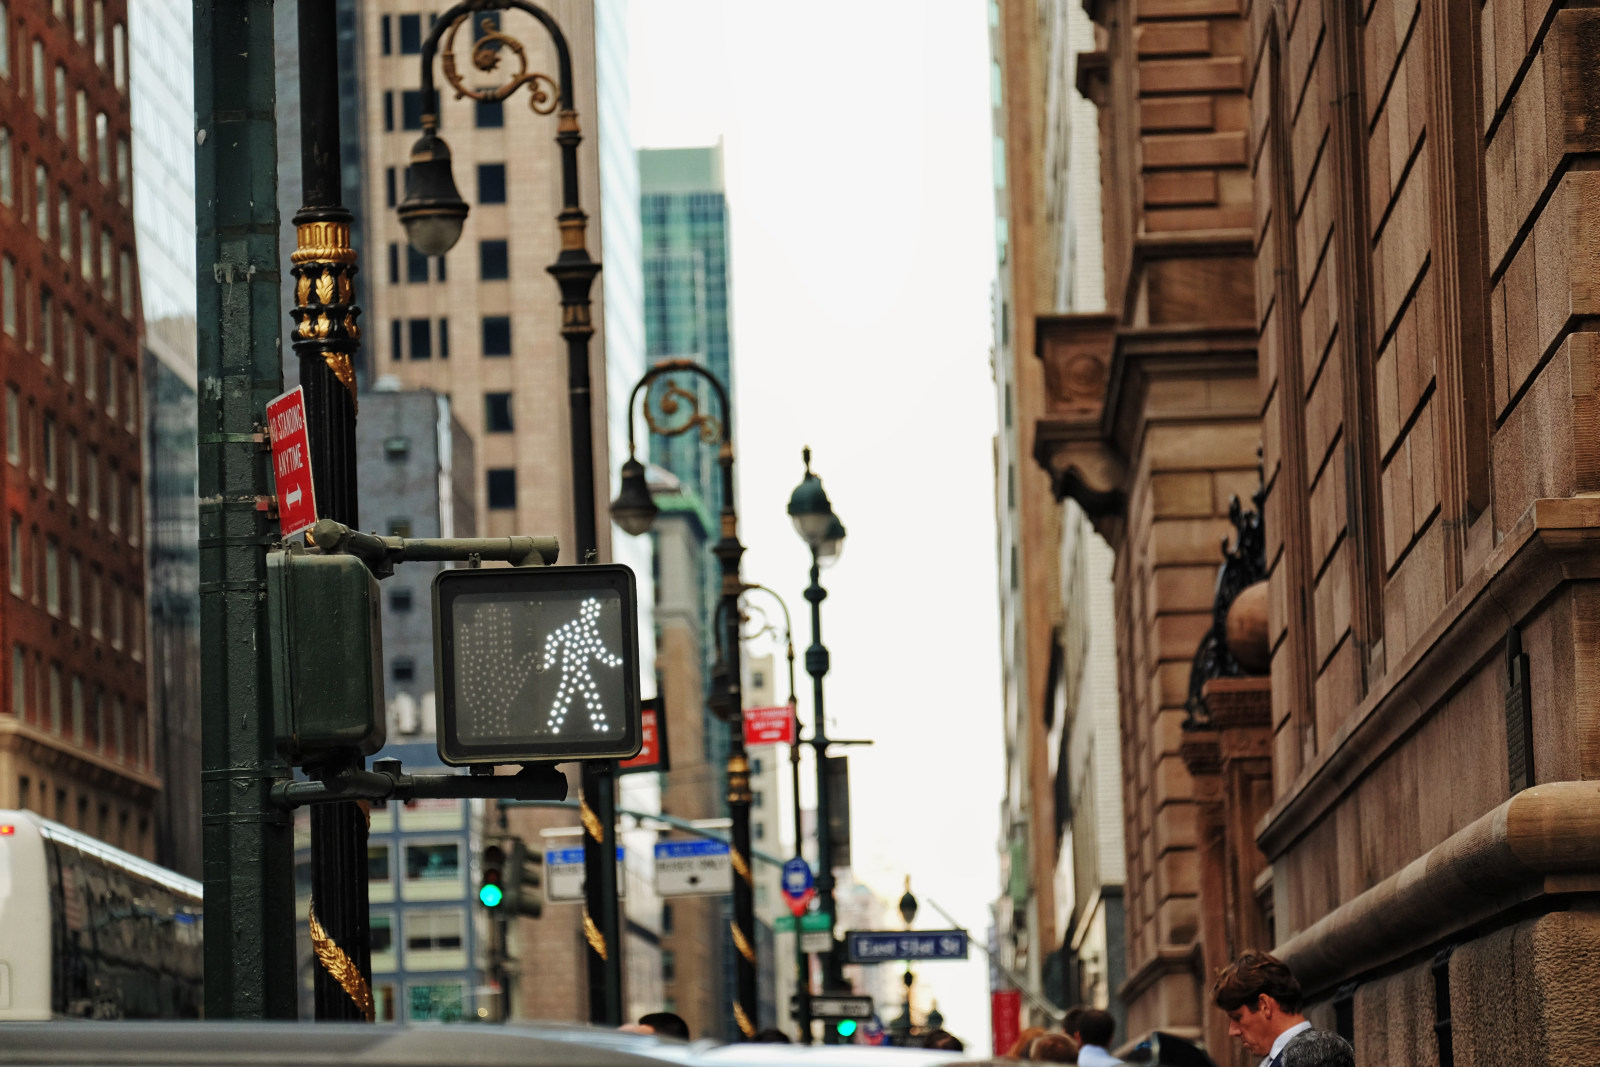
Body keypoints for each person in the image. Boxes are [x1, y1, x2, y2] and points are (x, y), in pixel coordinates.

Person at [1212, 952, 1354, 1067]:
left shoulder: (1319, 1056)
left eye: (1237, 1017)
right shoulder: (1277, 1059)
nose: (1233, 1031)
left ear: (1264, 1005)